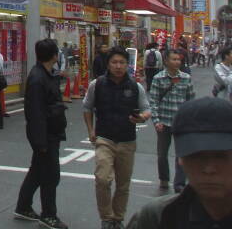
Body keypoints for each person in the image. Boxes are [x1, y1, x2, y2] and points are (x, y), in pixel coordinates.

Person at [127, 97, 232, 228]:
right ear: (180, 158)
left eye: (220, 156)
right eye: (196, 156)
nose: (209, 169)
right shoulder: (156, 218)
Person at [83, 46, 152, 229]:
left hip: (127, 141)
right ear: (108, 64)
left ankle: (118, 218)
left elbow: (146, 109)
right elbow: (87, 107)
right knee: (103, 178)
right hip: (104, 138)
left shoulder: (135, 87)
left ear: (127, 65)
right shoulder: (96, 84)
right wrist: (91, 130)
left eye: (122, 62)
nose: (118, 66)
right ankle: (106, 217)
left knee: (123, 184)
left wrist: (142, 117)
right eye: (114, 62)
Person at [15, 38, 69, 229]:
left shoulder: (46, 74)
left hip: (49, 132)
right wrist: (41, 142)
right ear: (54, 55)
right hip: (45, 135)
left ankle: (23, 206)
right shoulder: (38, 78)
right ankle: (49, 215)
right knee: (50, 175)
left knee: (38, 171)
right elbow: (36, 113)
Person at [149, 49, 195, 193]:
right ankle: (164, 178)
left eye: (178, 59)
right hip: (163, 122)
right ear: (166, 61)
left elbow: (191, 100)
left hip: (181, 123)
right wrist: (156, 121)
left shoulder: (186, 78)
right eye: (174, 59)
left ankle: (179, 183)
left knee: (181, 154)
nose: (177, 62)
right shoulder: (158, 78)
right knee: (162, 154)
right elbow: (153, 102)